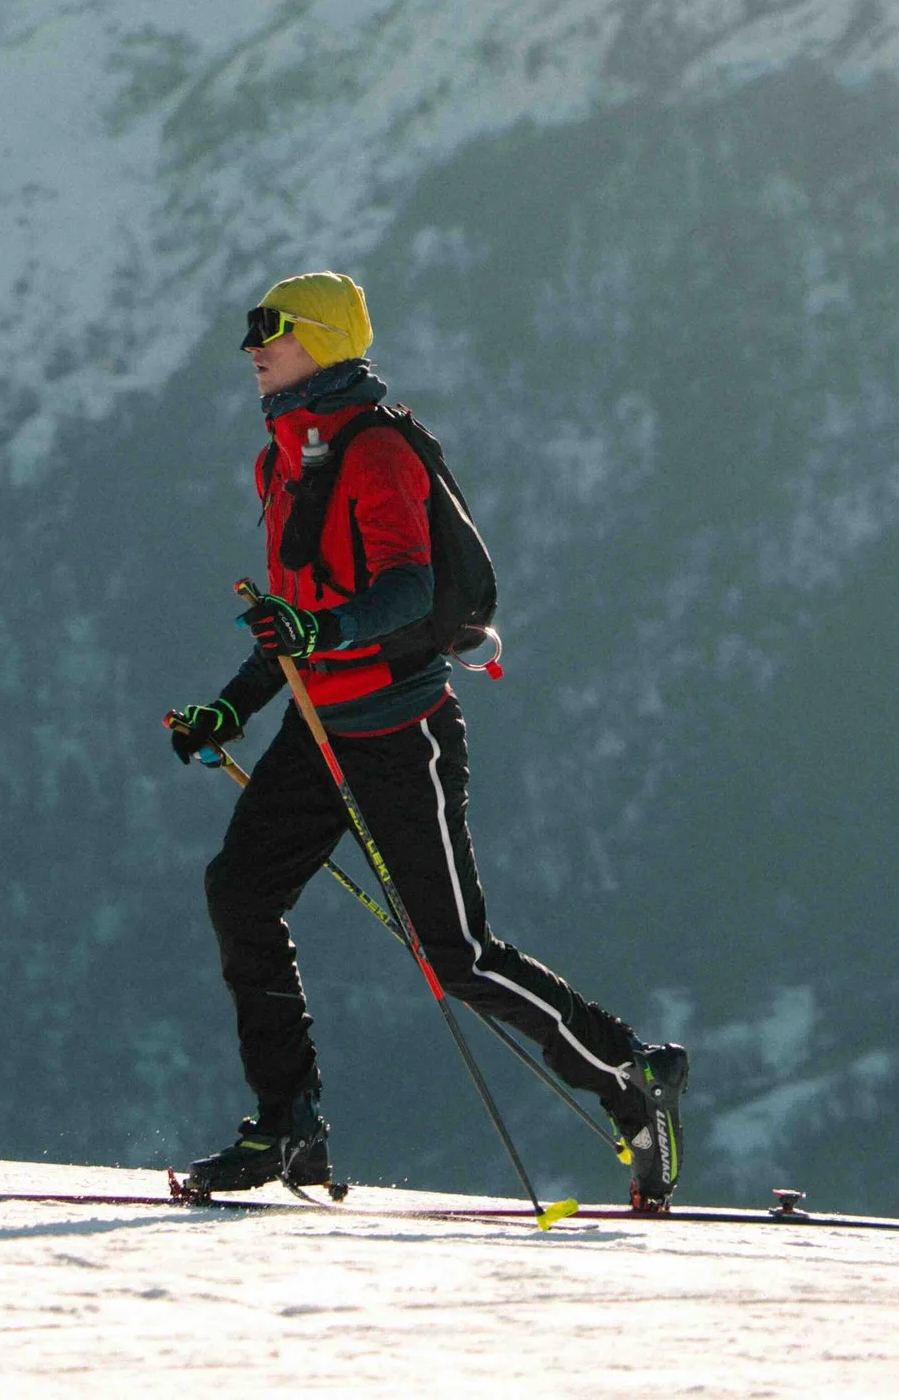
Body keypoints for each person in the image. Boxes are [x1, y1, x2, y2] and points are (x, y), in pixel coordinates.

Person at [164, 268, 688, 1203]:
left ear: (321, 343)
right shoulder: (282, 458)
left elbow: (404, 589)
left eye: (272, 334)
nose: (253, 351)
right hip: (321, 726)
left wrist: (319, 635)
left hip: (403, 735)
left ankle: (629, 1079)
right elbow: (297, 614)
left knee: (456, 956)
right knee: (240, 893)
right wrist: (231, 707)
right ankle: (289, 1127)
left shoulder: (375, 452)